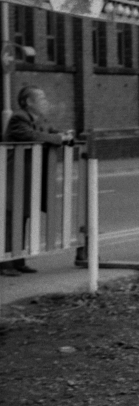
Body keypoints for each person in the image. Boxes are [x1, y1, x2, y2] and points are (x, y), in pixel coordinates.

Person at [2, 86, 73, 276]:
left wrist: (66, 135)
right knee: (10, 218)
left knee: (22, 216)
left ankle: (18, 260)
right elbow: (32, 136)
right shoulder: (19, 118)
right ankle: (5, 264)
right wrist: (58, 138)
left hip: (28, 176)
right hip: (12, 175)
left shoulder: (40, 120)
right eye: (41, 98)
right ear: (28, 102)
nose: (46, 101)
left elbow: (51, 132)